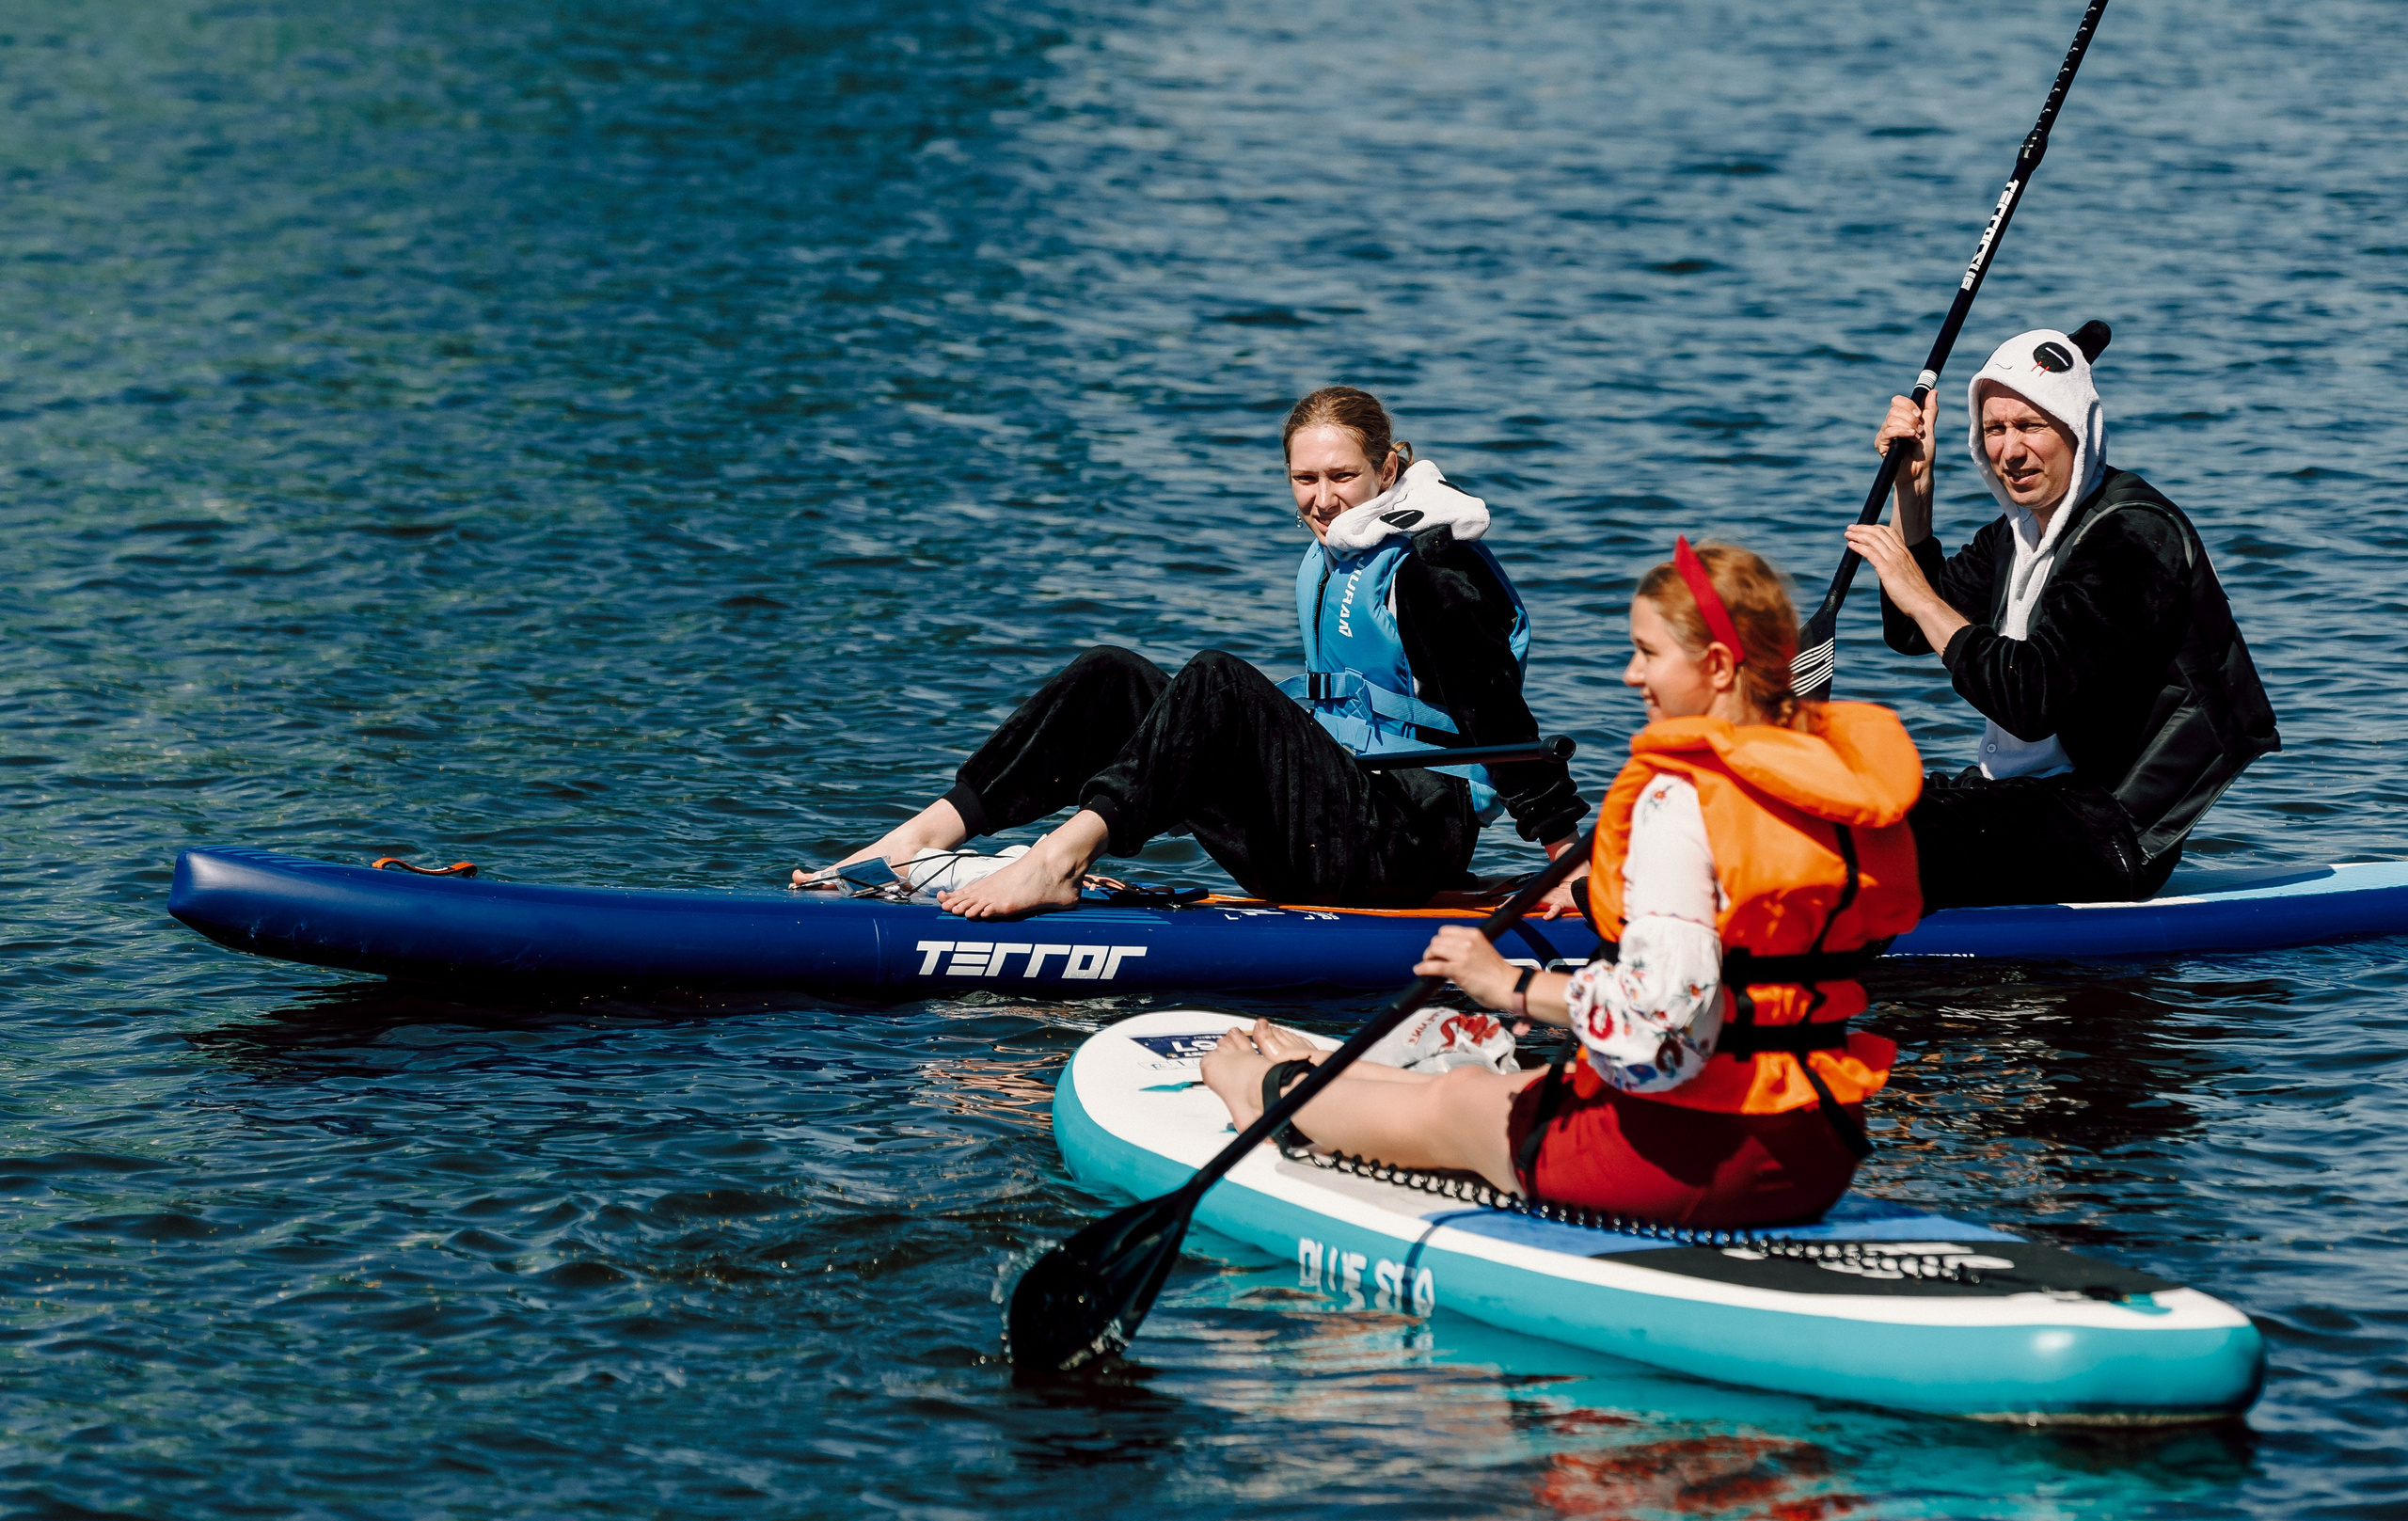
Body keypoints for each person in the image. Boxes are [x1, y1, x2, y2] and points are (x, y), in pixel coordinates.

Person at [1199, 541, 1924, 1228]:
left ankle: (1259, 1090)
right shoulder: (1830, 785)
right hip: (1818, 1147)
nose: (1630, 677)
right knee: (1520, 1090)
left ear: (1717, 668)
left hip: (1696, 1161)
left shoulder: (1684, 801)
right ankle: (1329, 1067)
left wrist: (1509, 986)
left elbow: (1658, 1018)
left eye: (1647, 654)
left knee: (1461, 1104)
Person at [798, 387, 1588, 919]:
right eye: (1303, 479)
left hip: (1404, 838)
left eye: (1342, 476)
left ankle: (1061, 860)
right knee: (1112, 676)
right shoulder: (1340, 557)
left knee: (1217, 679)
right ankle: (923, 839)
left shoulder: (1430, 570)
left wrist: (1566, 857)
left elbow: (1501, 716)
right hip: (1331, 817)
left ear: (1389, 468)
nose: (1322, 499)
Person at [1843, 325, 2279, 910]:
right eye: (1994, 429)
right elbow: (1910, 632)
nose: (2010, 450)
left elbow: (2029, 700)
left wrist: (1918, 594)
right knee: (1849, 804)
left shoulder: (2134, 536)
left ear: (2079, 430)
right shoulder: (2017, 535)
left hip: (2111, 830)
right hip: (2021, 802)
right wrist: (1913, 491)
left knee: (1881, 841)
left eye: (2030, 426)